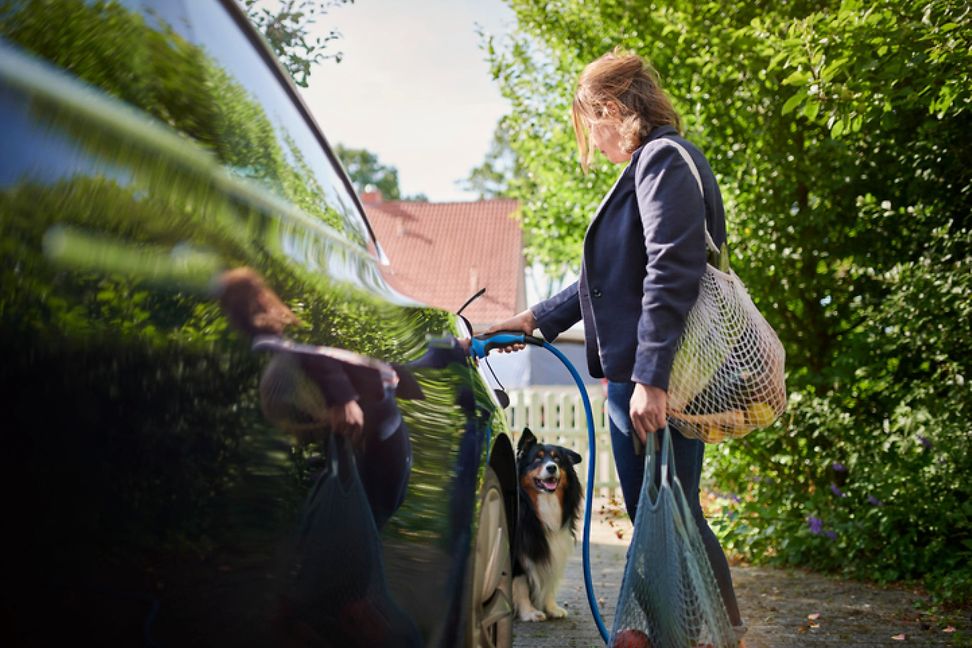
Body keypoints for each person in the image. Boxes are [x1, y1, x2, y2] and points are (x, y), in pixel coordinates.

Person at [484, 49, 746, 643]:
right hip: (657, 372)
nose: (594, 144)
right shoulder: (655, 166)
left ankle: (697, 633)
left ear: (609, 109)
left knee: (668, 518)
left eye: (590, 128)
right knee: (668, 516)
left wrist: (651, 378)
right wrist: (532, 319)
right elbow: (609, 281)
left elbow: (672, 269)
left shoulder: (660, 163)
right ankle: (686, 631)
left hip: (661, 375)